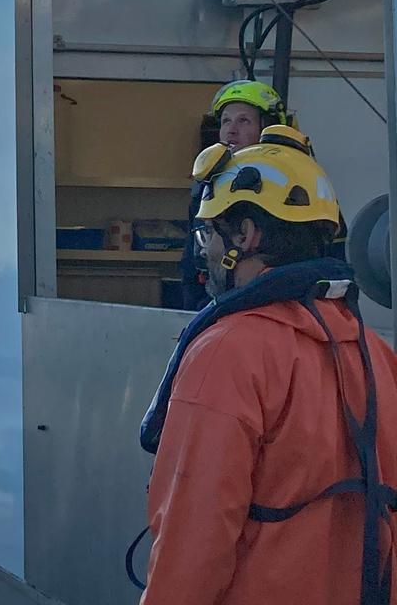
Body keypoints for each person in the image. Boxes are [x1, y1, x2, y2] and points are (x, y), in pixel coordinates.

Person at [139, 126, 397, 605]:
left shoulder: (228, 352)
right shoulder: (375, 354)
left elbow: (194, 540)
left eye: (208, 233)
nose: (205, 252)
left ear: (246, 235)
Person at [177, 80, 347, 309]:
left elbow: (333, 262)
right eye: (226, 121)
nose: (231, 130)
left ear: (268, 127)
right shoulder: (208, 189)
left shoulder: (301, 187)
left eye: (243, 120)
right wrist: (201, 316)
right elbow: (193, 265)